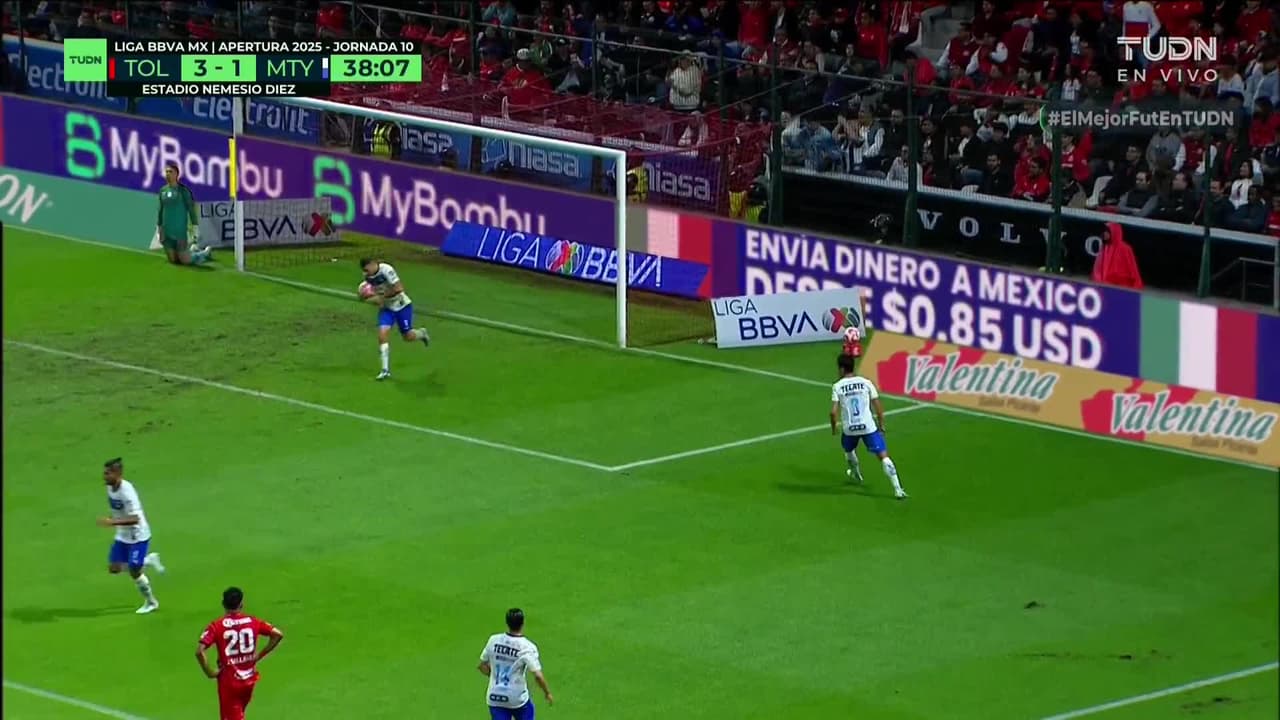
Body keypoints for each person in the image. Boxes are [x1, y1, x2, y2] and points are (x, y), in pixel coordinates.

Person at [197, 587, 285, 720]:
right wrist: (259, 656)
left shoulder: (217, 626)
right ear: (241, 604)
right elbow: (277, 634)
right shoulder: (253, 621)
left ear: (223, 604)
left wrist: (209, 672)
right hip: (249, 681)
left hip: (229, 683)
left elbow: (199, 651)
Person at [830, 354, 907, 499]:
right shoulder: (866, 382)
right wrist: (881, 425)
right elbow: (878, 406)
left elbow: (833, 412)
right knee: (883, 456)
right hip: (868, 426)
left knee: (848, 450)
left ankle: (856, 473)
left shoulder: (837, 386)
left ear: (841, 369)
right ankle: (898, 489)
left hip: (850, 428)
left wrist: (834, 428)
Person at [98, 458, 165, 614]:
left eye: (108, 473)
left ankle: (151, 602)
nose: (104, 476)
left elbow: (135, 518)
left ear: (118, 473)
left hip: (137, 535)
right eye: (105, 473)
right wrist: (114, 520)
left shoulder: (127, 492)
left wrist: (111, 522)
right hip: (122, 534)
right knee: (114, 568)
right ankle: (149, 560)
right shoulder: (110, 488)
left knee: (135, 571)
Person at [359, 258, 432, 381]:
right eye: (364, 271)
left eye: (367, 270)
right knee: (382, 335)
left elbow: (398, 288)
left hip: (402, 306)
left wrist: (381, 297)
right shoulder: (367, 277)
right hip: (387, 309)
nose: (366, 273)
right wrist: (365, 295)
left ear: (372, 264)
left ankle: (421, 333)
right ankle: (385, 370)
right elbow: (368, 293)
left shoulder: (386, 270)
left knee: (407, 337)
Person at [479, 608, 553, 720]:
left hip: (495, 697)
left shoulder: (493, 640)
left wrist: (495, 676)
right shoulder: (527, 647)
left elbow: (482, 666)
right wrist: (547, 693)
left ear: (507, 622)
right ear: (522, 623)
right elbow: (538, 675)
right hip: (517, 698)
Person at [156, 162, 213, 266]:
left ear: (176, 174)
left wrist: (195, 226)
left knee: (185, 261)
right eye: (166, 172)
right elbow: (160, 209)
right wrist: (159, 227)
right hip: (166, 231)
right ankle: (193, 249)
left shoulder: (183, 191)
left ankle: (204, 253)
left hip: (179, 232)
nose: (168, 174)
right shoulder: (163, 190)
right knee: (173, 260)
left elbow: (191, 209)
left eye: (170, 172)